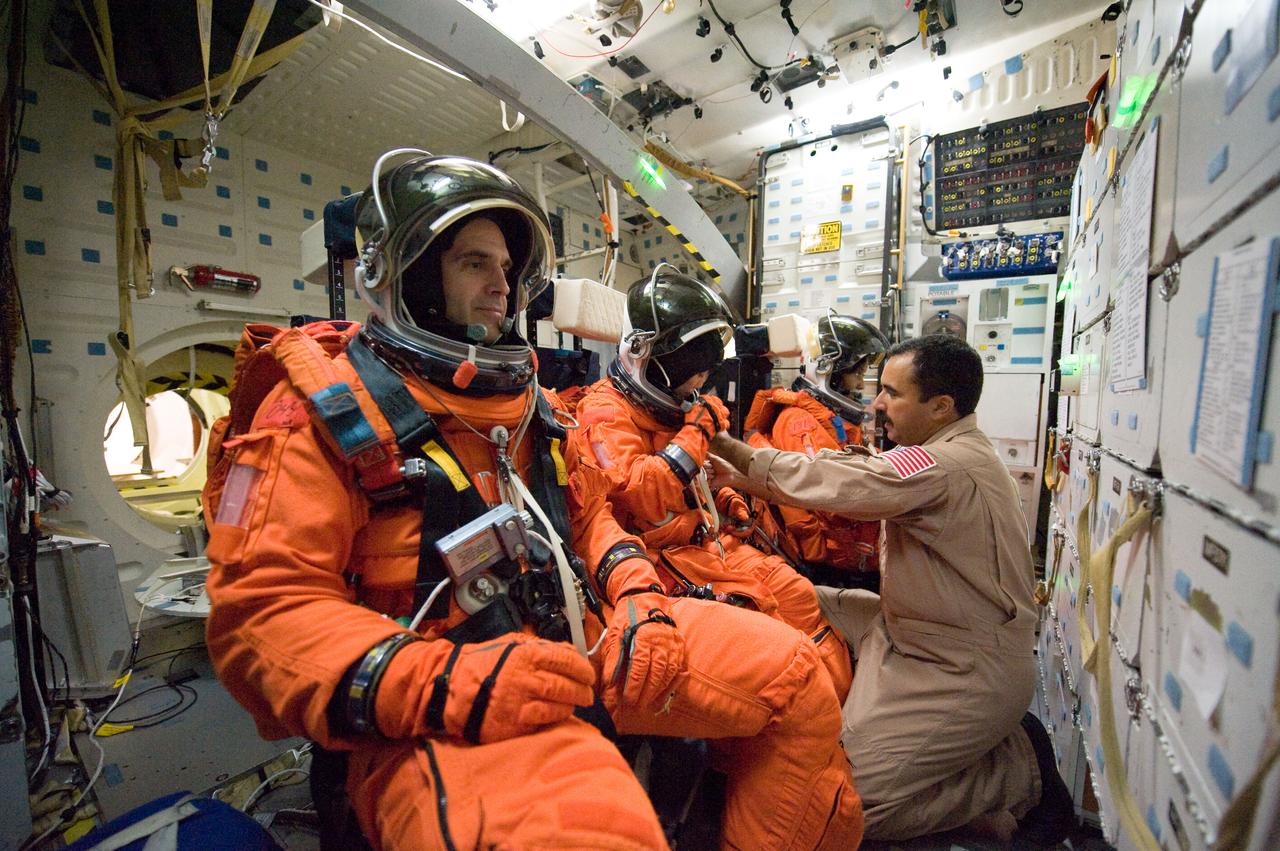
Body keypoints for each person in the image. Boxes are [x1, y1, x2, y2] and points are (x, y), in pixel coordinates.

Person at [203, 152, 667, 850]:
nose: (502, 285)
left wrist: (636, 591)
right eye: (474, 262)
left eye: (507, 268)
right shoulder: (320, 411)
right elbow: (261, 613)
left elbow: (590, 515)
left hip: (556, 660)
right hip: (417, 714)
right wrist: (440, 680)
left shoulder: (529, 410)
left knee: (792, 669)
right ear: (412, 274)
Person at [708, 333, 1074, 845]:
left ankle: (1014, 772)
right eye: (878, 387)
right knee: (787, 598)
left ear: (942, 406)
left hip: (961, 667)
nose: (877, 402)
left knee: (835, 800)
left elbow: (856, 484)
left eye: (893, 393)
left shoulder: (948, 464)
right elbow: (861, 469)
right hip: (910, 627)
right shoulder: (939, 449)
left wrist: (732, 450)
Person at [568, 267, 863, 847]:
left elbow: (690, 485)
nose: (697, 382)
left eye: (703, 370)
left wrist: (728, 499)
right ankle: (785, 762)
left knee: (804, 605)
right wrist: (696, 433)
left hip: (705, 544)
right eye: (689, 369)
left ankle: (807, 751)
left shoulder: (674, 410)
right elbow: (640, 492)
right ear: (645, 353)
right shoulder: (606, 411)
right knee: (789, 661)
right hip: (660, 564)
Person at [742, 313, 887, 591]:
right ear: (826, 369)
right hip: (831, 565)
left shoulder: (830, 419)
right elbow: (823, 500)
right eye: (856, 372)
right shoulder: (800, 422)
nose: (860, 383)